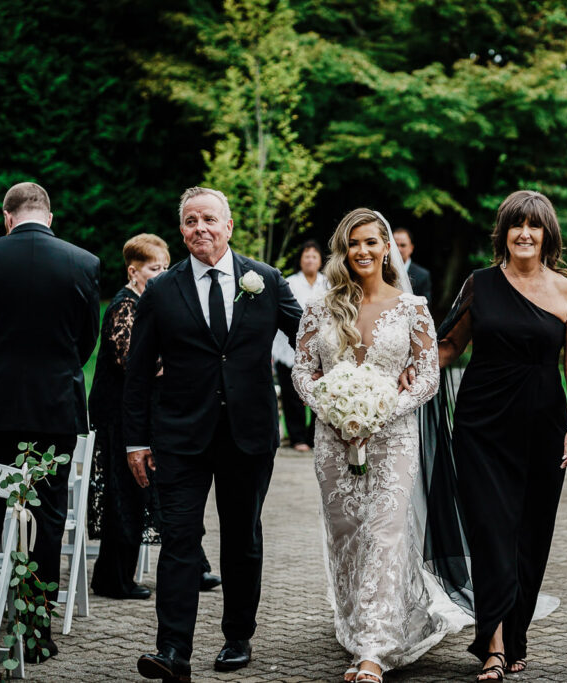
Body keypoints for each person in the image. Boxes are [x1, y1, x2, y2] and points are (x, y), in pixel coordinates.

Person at [124, 187, 302, 681]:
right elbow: (137, 373)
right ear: (181, 230)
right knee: (180, 539)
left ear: (227, 226)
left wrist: (351, 374)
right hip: (179, 436)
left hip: (248, 435)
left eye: (209, 219)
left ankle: (237, 636)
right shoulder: (162, 290)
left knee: (242, 537)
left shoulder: (263, 280)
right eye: (189, 220)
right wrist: (135, 440)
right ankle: (173, 651)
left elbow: (309, 337)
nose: (199, 227)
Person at [291, 208, 460, 683]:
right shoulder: (320, 308)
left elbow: (427, 376)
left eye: (370, 242)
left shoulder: (413, 308)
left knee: (386, 534)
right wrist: (334, 411)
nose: (362, 251)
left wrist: (376, 413)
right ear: (342, 251)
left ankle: (373, 650)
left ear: (387, 248)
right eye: (352, 244)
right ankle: (354, 623)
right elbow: (302, 371)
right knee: (345, 533)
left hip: (394, 436)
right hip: (333, 437)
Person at [435, 190, 567, 680]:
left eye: (534, 226)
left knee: (530, 535)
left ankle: (515, 636)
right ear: (503, 233)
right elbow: (447, 347)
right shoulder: (479, 284)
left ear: (547, 235)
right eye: (516, 225)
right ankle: (494, 646)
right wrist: (391, 378)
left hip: (543, 427)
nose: (525, 233)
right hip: (481, 427)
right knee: (491, 531)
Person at [0, 182, 100, 660]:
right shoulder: (83, 262)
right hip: (52, 414)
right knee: (47, 521)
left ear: (7, 217)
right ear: (49, 217)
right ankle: (35, 637)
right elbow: (85, 342)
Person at [87, 234, 218, 599]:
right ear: (133, 271)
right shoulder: (124, 306)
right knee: (127, 495)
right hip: (119, 417)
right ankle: (113, 578)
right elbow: (134, 363)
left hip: (150, 414)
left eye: (165, 267)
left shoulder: (150, 303)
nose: (162, 275)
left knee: (165, 491)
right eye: (154, 269)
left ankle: (194, 566)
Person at [272, 240, 328, 451]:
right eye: (306, 255)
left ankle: (315, 436)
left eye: (314, 255)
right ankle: (297, 438)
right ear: (301, 260)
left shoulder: (328, 283)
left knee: (319, 391)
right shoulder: (289, 282)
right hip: (289, 348)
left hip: (322, 347)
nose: (310, 259)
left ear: (320, 260)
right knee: (292, 393)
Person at [393, 227, 432, 301]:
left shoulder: (422, 275)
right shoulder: (381, 271)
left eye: (403, 245)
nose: (398, 249)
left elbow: (426, 306)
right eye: (395, 245)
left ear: (411, 248)